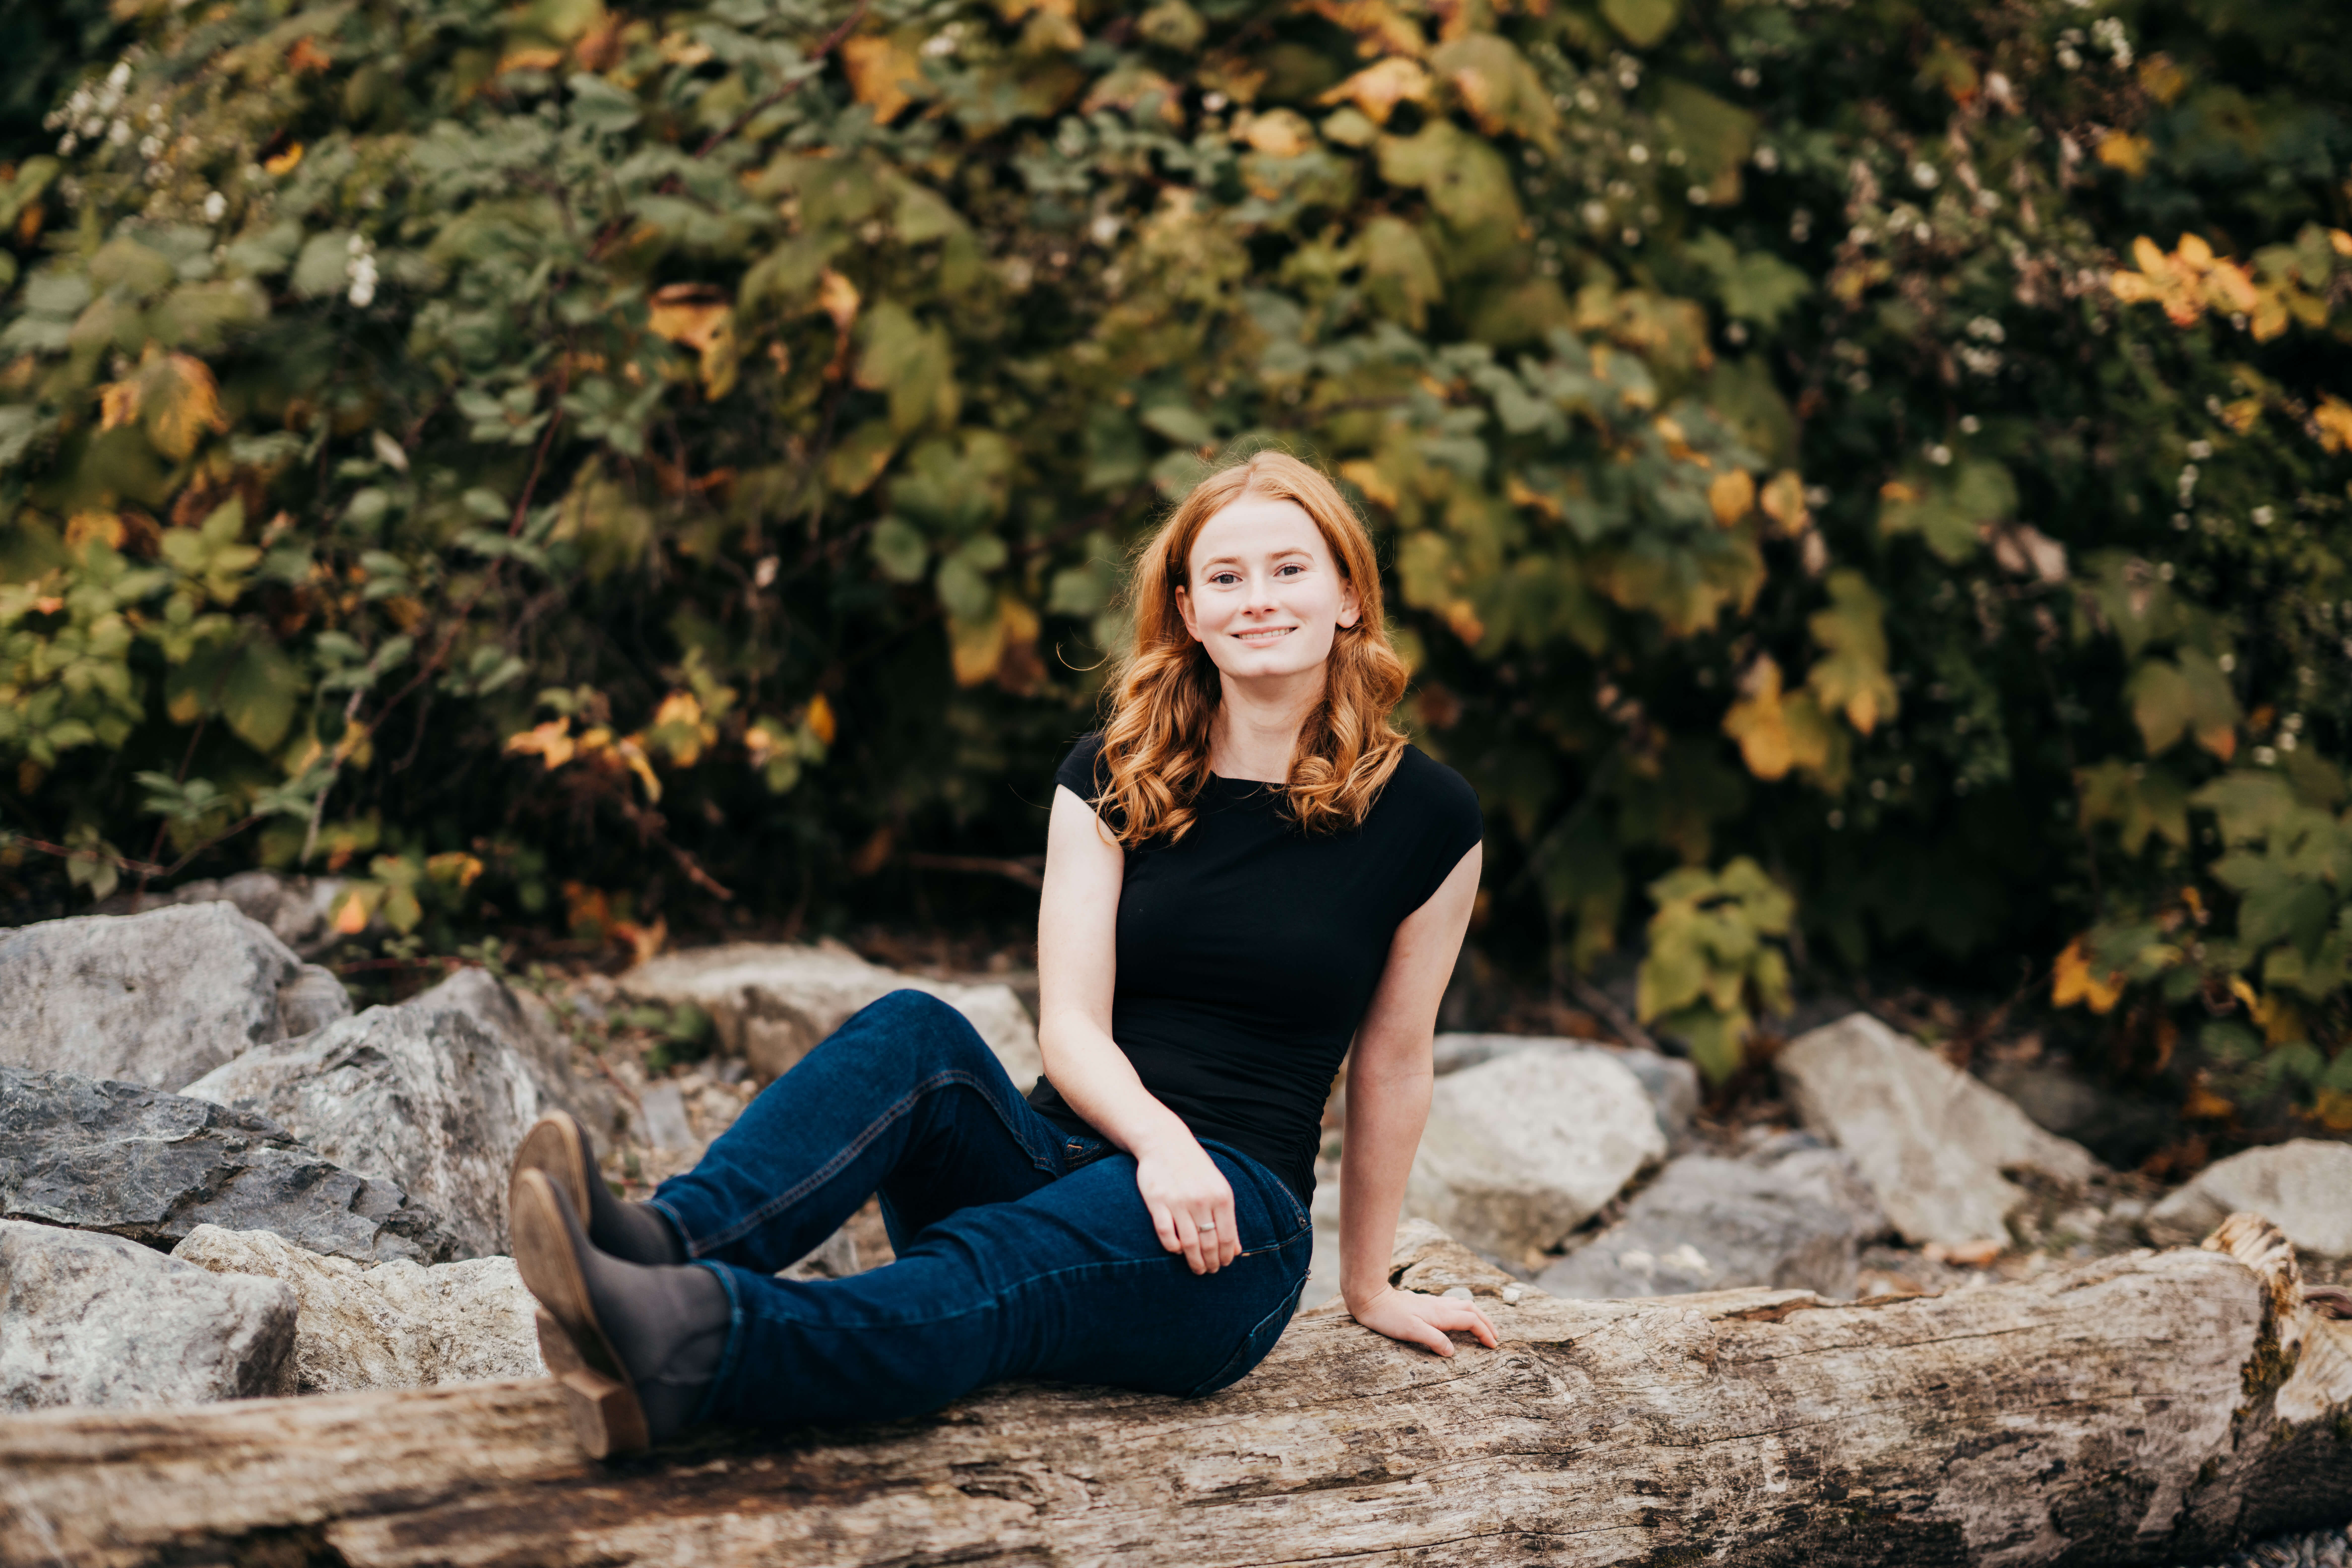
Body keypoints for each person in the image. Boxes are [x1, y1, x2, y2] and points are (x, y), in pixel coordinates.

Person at [510, 450, 1494, 1457]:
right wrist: (1157, 1143)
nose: (1258, 600)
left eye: (1289, 570)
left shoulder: (1425, 814)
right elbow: (1068, 1027)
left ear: (1347, 596)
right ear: (1189, 613)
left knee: (986, 1260)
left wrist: (1365, 1283)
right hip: (1066, 1150)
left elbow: (1394, 1060)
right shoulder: (1115, 775)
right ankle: (657, 1247)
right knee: (913, 1030)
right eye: (1226, 578)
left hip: (1227, 1227)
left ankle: (690, 1345)